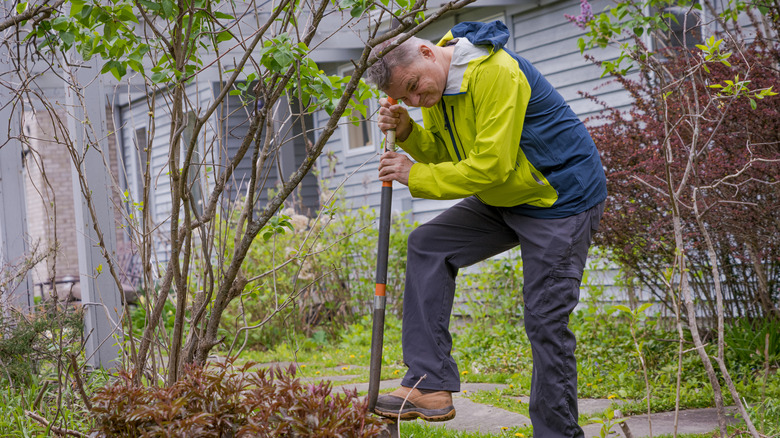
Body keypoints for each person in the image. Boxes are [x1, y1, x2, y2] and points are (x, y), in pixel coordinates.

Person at [366, 20, 606, 437]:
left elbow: (491, 166)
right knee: (428, 244)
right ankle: (430, 384)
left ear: (426, 52)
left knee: (545, 320)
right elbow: (451, 152)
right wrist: (409, 133)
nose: (416, 99)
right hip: (508, 194)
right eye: (406, 97)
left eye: (414, 87)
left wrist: (414, 174)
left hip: (558, 199)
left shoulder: (494, 71)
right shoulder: (440, 85)